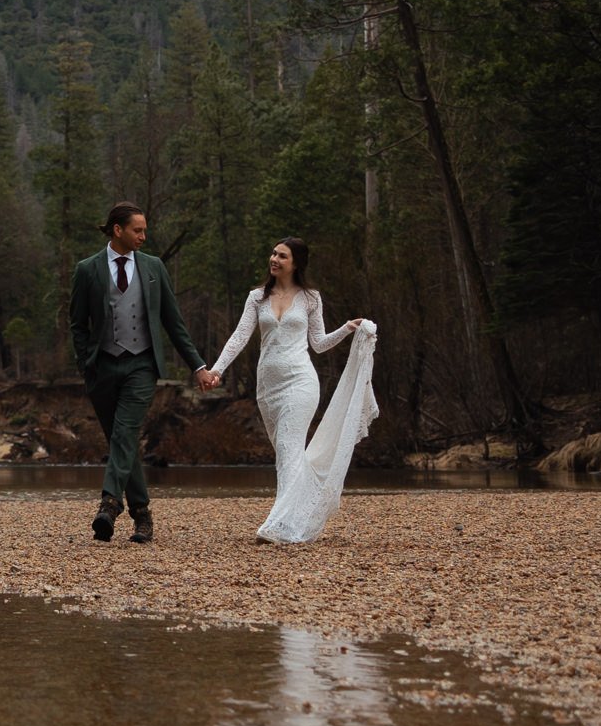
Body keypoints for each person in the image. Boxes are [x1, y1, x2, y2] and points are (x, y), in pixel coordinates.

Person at [207, 238, 380, 544]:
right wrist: (217, 369)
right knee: (287, 454)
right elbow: (239, 337)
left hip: (301, 382)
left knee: (288, 450)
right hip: (267, 388)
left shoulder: (311, 298)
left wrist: (347, 328)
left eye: (282, 256)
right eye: (273, 253)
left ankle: (280, 525)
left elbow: (319, 343)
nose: (274, 259)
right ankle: (299, 517)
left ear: (296, 262)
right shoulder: (257, 297)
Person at [67, 203, 213, 544]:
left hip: (142, 365)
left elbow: (173, 323)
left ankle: (109, 503)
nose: (144, 236)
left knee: (124, 431)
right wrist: (85, 364)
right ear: (118, 230)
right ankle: (143, 516)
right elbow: (78, 324)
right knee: (122, 440)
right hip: (102, 367)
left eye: (144, 230)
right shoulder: (88, 269)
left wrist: (198, 366)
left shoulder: (153, 268)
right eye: (138, 230)